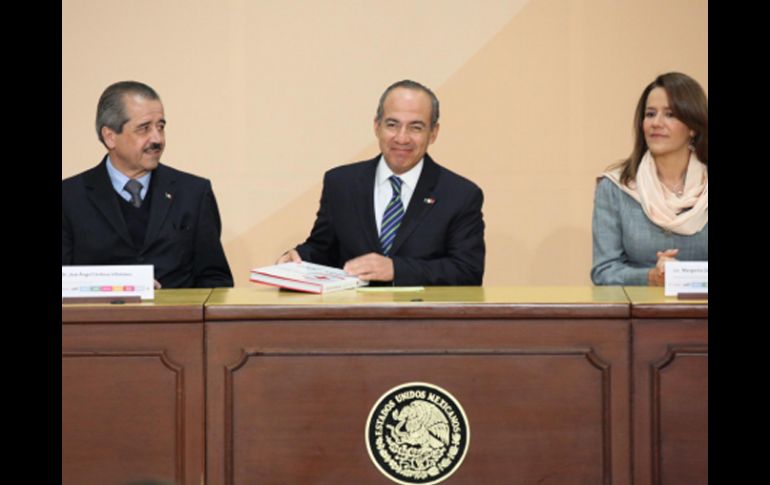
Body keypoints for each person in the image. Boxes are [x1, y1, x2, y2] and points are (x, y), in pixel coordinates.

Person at [277, 80, 485, 285]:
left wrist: (396, 269)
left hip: (421, 317)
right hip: (352, 315)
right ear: (377, 127)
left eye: (416, 127)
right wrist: (298, 258)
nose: (402, 138)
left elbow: (467, 270)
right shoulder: (341, 184)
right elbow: (324, 249)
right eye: (392, 125)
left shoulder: (460, 195)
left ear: (433, 133)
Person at [62, 81, 233, 288]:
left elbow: (216, 281)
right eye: (144, 128)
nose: (157, 139)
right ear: (110, 137)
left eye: (160, 127)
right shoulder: (68, 199)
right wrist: (119, 286)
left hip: (177, 319)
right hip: (98, 319)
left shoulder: (194, 193)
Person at [591, 72, 708, 286]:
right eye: (650, 114)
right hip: (639, 315)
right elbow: (604, 271)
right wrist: (651, 277)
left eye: (670, 114)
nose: (656, 123)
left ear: (692, 127)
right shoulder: (615, 188)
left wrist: (685, 276)